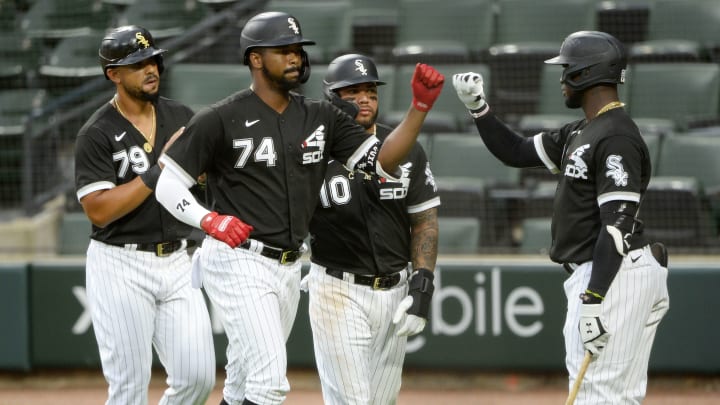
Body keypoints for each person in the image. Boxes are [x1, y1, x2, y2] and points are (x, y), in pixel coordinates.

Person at [153, 11, 444, 405]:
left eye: (298, 50)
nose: (295, 57)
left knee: (240, 384)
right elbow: (168, 185)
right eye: (283, 50)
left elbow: (380, 164)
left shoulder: (319, 116)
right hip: (238, 257)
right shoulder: (221, 117)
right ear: (256, 58)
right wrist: (209, 219)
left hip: (289, 265)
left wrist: (418, 110)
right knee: (270, 384)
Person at [452, 30, 669, 403]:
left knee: (598, 395)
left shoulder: (617, 136)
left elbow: (615, 226)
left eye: (566, 69)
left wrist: (594, 298)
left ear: (585, 74)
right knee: (610, 396)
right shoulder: (582, 131)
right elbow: (516, 152)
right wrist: (479, 110)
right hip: (610, 275)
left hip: (613, 275)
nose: (561, 79)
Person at [74, 26, 215, 405]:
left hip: (177, 261)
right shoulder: (97, 132)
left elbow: (204, 183)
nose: (150, 68)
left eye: (152, 59)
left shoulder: (182, 117)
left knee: (197, 379)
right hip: (120, 262)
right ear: (113, 75)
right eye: (137, 64)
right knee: (129, 390)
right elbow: (99, 210)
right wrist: (157, 172)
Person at [302, 53, 440, 404]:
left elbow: (424, 219)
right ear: (331, 97)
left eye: (371, 91)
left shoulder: (407, 150)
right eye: (352, 92)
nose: (364, 98)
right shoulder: (311, 153)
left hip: (393, 292)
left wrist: (422, 283)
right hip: (337, 289)